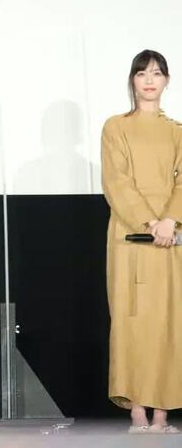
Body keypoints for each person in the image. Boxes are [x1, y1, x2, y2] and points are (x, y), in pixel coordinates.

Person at [101, 49, 182, 434]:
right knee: (132, 319)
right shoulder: (115, 127)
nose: (150, 80)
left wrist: (169, 220)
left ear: (166, 81)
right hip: (130, 234)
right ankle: (137, 412)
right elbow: (116, 181)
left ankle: (162, 415)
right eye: (142, 73)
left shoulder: (177, 130)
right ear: (132, 80)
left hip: (170, 236)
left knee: (168, 320)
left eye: (157, 73)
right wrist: (150, 222)